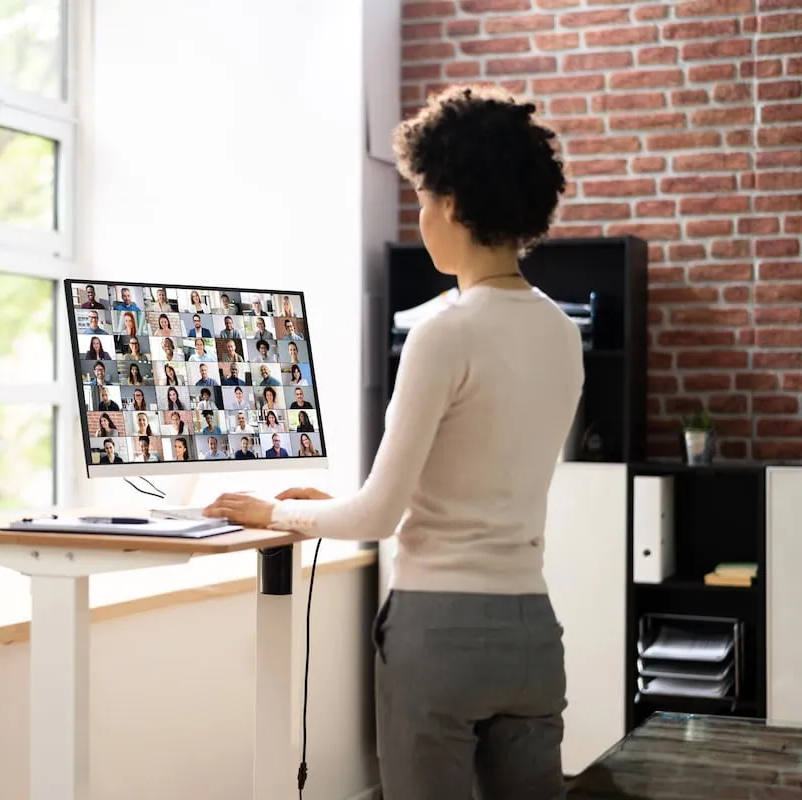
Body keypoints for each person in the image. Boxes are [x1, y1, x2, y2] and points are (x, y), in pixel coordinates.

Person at [204, 85, 581, 800]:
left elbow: (376, 521)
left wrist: (271, 513)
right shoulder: (561, 331)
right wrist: (337, 501)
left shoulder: (444, 330)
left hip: (440, 637)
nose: (420, 215)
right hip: (532, 633)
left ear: (453, 203)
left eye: (422, 197)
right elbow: (476, 482)